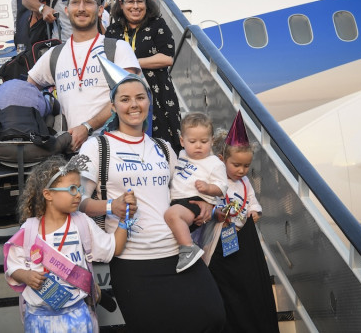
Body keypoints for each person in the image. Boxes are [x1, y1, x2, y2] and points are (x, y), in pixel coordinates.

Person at [78, 57, 226, 332]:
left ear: (149, 101)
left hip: (179, 253)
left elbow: (181, 192)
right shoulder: (96, 147)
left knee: (213, 316)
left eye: (140, 97)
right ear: (113, 107)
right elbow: (77, 202)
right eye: (125, 99)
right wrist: (111, 206)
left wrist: (203, 205)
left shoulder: (164, 147)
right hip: (133, 262)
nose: (133, 104)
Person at [0, 0, 140, 152]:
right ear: (66, 10)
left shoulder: (117, 48)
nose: (81, 8)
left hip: (115, 149)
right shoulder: (55, 54)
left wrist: (87, 127)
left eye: (88, 2)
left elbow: (129, 97)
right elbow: (23, 90)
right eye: (75, 2)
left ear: (100, 10)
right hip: (72, 152)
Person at [4, 155, 135, 332]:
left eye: (80, 188)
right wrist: (25, 276)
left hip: (78, 316)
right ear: (48, 194)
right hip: (38, 319)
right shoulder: (29, 230)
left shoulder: (82, 223)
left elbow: (115, 247)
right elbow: (12, 266)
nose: (79, 194)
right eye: (72, 189)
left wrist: (125, 219)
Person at [203, 112, 280, 333]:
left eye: (246, 166)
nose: (241, 170)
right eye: (236, 165)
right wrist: (218, 212)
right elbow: (209, 205)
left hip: (243, 239)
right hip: (220, 239)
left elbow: (253, 202)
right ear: (221, 159)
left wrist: (255, 212)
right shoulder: (215, 181)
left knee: (248, 283)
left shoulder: (245, 182)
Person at [105, 0, 182, 153]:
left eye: (140, 1)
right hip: (123, 96)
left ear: (147, 3)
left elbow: (167, 58)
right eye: (130, 1)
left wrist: (130, 62)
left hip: (158, 94)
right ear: (121, 4)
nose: (135, 6)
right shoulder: (113, 31)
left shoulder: (157, 24)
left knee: (164, 146)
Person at [164, 112, 228, 273]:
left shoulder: (214, 163)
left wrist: (208, 188)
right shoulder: (182, 155)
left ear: (212, 141)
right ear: (182, 141)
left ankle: (188, 249)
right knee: (170, 216)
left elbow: (222, 188)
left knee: (172, 215)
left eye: (204, 141)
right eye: (192, 141)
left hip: (195, 201)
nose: (198, 146)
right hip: (178, 201)